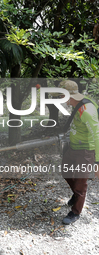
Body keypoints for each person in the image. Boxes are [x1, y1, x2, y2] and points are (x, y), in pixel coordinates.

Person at [57, 80, 99, 225]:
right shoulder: (77, 105)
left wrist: (97, 162)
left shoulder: (87, 111)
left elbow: (97, 135)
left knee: (81, 182)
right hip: (73, 147)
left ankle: (75, 212)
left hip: (86, 151)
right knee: (65, 172)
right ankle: (76, 195)